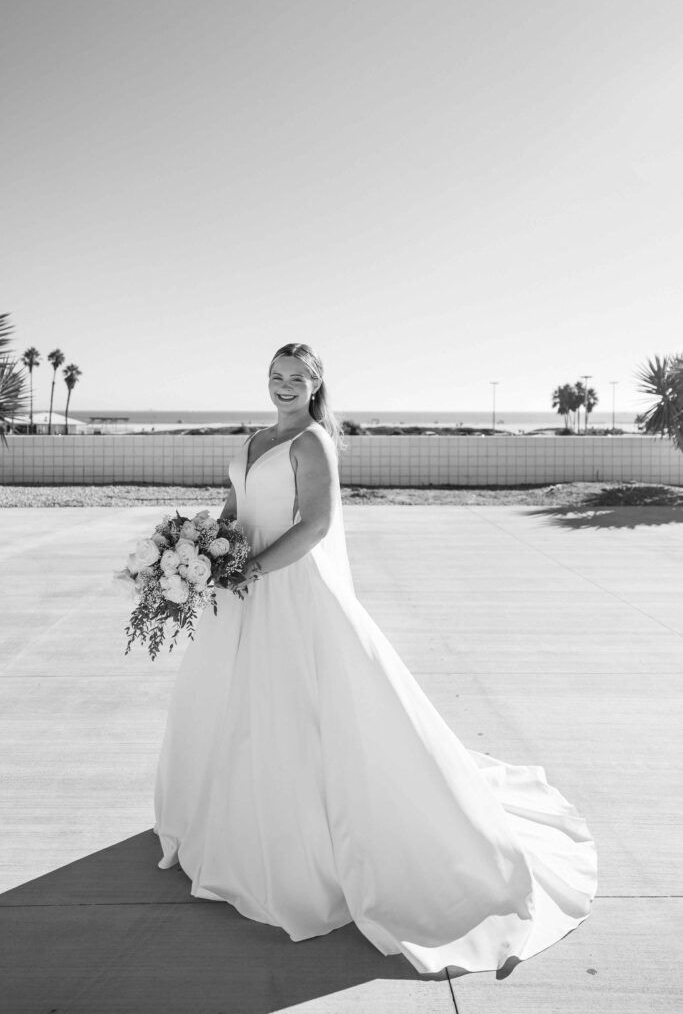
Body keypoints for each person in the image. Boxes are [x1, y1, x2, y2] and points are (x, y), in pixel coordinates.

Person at [153, 342, 597, 977]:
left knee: (298, 711)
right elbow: (237, 505)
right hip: (238, 589)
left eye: (296, 379)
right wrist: (203, 545)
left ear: (316, 384)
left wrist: (247, 567)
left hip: (286, 589)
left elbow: (313, 527)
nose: (284, 387)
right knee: (234, 705)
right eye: (276, 377)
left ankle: (298, 850)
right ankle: (230, 826)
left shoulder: (311, 443)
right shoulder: (256, 438)